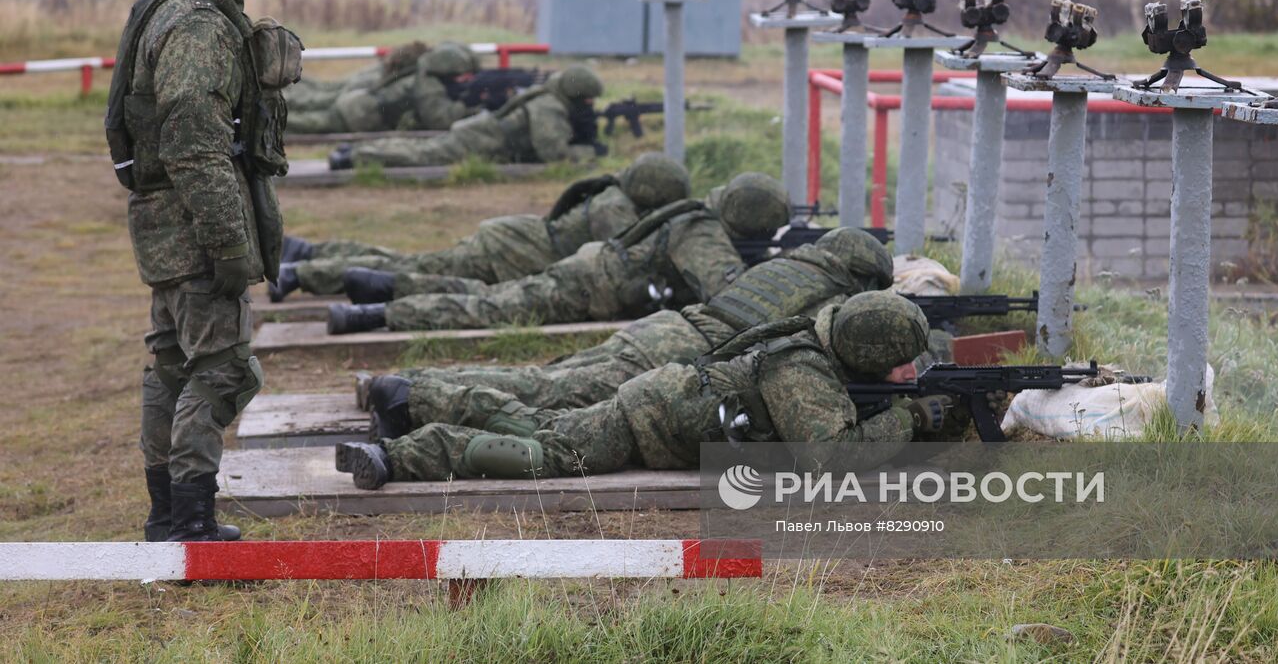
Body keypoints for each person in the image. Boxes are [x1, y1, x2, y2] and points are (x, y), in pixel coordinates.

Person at [105, 0, 295, 541]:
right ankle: (190, 519)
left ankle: (168, 516)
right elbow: (195, 148)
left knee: (174, 365)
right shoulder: (197, 24)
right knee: (221, 369)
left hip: (166, 225)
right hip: (195, 227)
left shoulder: (170, 3)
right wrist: (230, 248)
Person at [335, 292, 944, 487]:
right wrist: (911, 421)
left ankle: (403, 397)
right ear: (865, 353)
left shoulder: (824, 341)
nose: (906, 376)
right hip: (648, 420)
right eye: (898, 366)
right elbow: (826, 458)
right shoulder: (802, 371)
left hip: (661, 404)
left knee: (531, 420)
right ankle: (398, 454)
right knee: (538, 452)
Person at [360, 227, 898, 416]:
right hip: (672, 354)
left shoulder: (789, 265)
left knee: (544, 380)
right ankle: (410, 394)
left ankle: (412, 390)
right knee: (549, 394)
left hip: (666, 328)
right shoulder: (833, 298)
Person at [325, 172, 792, 334]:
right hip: (587, 287)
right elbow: (728, 293)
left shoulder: (698, 213)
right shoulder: (703, 231)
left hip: (588, 270)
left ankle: (383, 288)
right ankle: (375, 316)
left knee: (493, 296)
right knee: (489, 308)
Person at [267, 152, 691, 301]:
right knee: (412, 269)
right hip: (510, 252)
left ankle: (306, 256)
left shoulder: (615, 195)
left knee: (408, 261)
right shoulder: (615, 210)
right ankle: (303, 272)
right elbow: (615, 266)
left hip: (513, 242)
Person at [328, 65, 605, 170]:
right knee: (421, 155)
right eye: (587, 100)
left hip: (481, 134)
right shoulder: (549, 107)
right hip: (480, 139)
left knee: (421, 150)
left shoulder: (550, 98)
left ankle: (355, 152)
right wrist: (588, 151)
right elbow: (553, 153)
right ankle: (354, 157)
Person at [284, 41, 482, 135]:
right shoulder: (425, 84)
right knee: (297, 121)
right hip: (357, 114)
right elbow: (438, 117)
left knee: (304, 108)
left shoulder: (419, 75)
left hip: (357, 106)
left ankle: (272, 103)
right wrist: (471, 109)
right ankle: (264, 112)